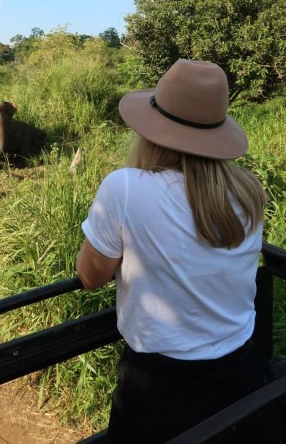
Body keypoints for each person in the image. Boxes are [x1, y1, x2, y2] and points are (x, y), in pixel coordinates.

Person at [76, 59, 276, 444]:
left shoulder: (125, 187)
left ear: (151, 130)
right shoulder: (249, 190)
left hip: (160, 388)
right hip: (244, 368)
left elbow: (90, 276)